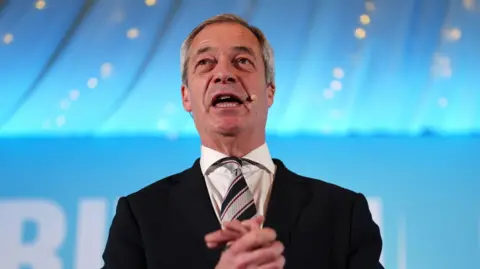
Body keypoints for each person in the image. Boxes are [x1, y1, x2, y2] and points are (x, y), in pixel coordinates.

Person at [101, 13, 384, 269]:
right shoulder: (140, 215)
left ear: (269, 91)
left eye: (242, 61)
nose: (224, 74)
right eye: (205, 63)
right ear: (186, 96)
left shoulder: (343, 212)